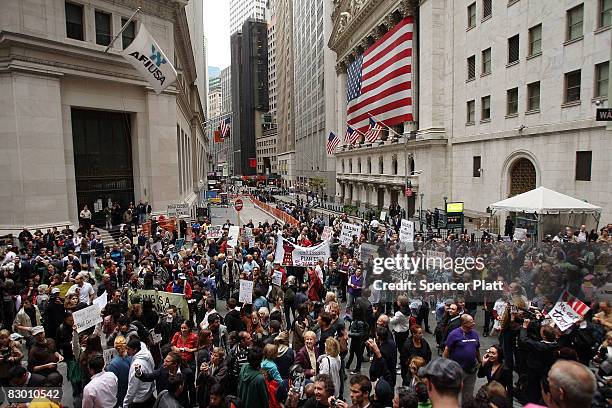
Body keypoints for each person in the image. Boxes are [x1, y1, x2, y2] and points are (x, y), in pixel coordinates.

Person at [442, 314, 480, 402]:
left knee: (468, 395)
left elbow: (477, 348)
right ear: (464, 323)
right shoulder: (454, 334)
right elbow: (447, 349)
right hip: (458, 370)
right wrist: (443, 363)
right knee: (455, 394)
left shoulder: (474, 334)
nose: (474, 324)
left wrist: (480, 360)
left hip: (471, 369)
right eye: (471, 322)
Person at [124, 339, 155, 408]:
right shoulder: (147, 353)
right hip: (149, 393)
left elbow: (133, 386)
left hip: (140, 400)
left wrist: (126, 403)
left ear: (135, 350)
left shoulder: (137, 365)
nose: (127, 351)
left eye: (129, 349)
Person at [106, 336, 132, 407]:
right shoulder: (132, 357)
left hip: (120, 394)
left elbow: (110, 383)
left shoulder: (113, 364)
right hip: (131, 391)